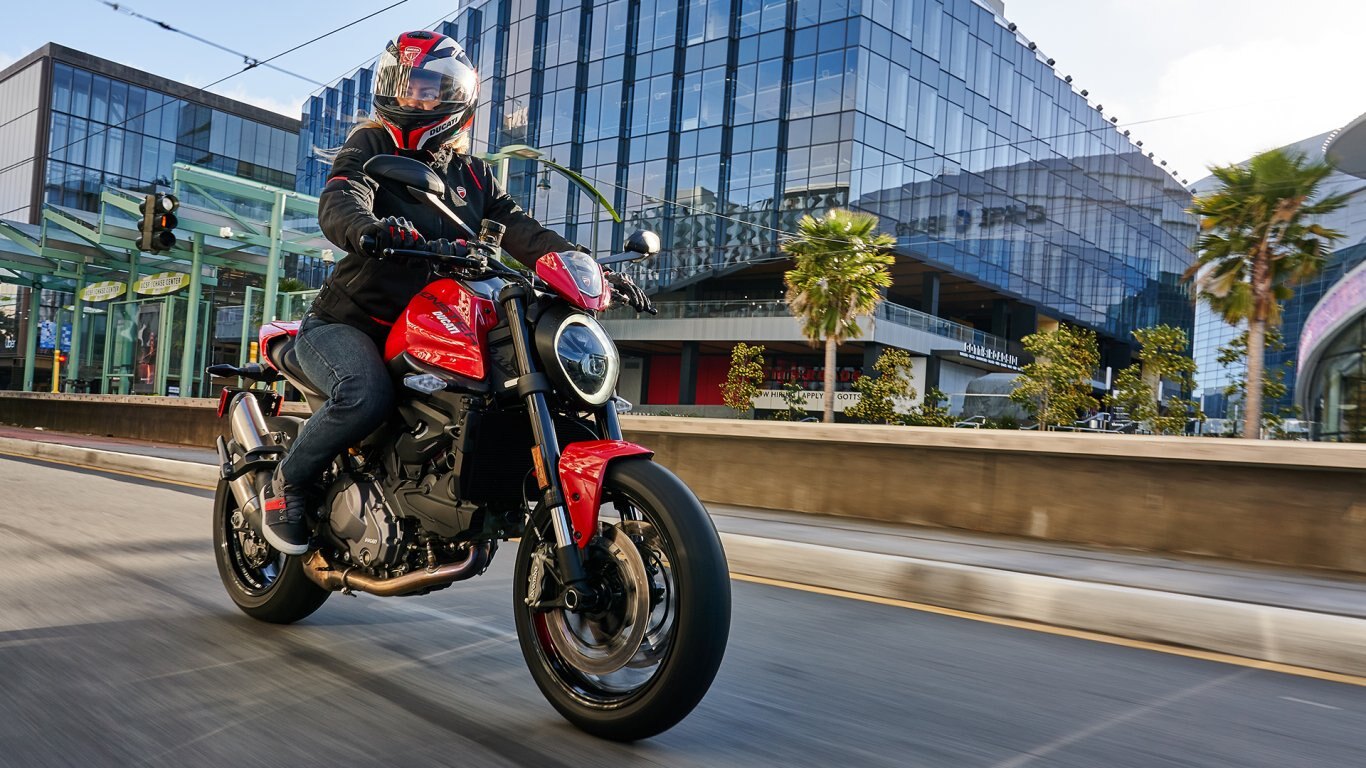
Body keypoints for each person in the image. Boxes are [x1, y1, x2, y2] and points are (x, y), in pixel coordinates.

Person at [257, 30, 652, 555]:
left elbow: (524, 231)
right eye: (405, 87)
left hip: (431, 323)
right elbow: (342, 199)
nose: (413, 99)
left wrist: (590, 270)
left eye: (427, 89)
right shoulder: (370, 147)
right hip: (349, 324)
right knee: (364, 394)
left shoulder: (474, 175)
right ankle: (286, 484)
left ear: (456, 97)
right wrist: (369, 230)